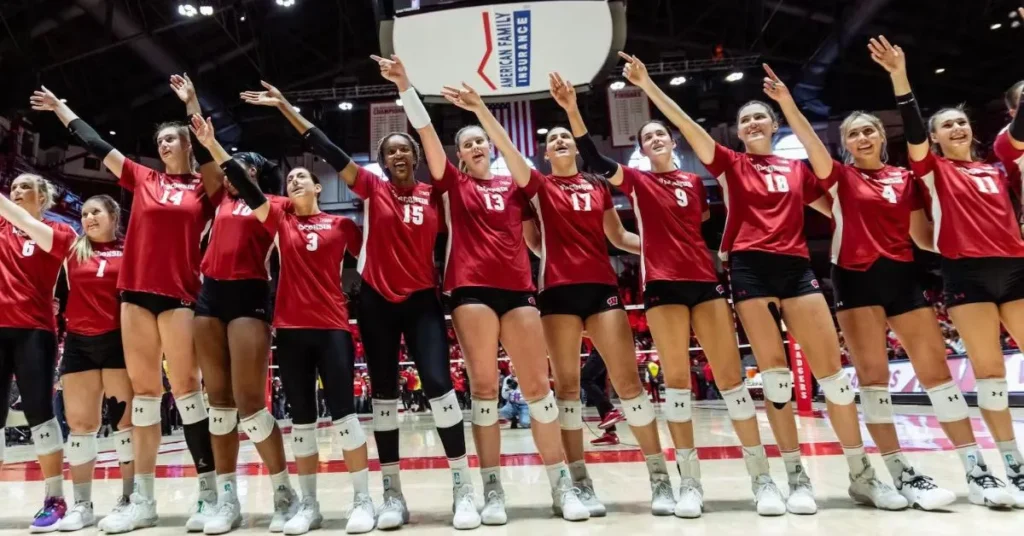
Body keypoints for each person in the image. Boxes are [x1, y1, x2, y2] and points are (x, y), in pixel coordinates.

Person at [616, 52, 908, 512]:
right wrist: (649, 87)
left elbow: (843, 210)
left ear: (773, 126)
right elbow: (686, 125)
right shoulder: (729, 164)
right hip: (750, 269)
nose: (752, 123)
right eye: (745, 119)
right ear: (737, 130)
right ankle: (793, 477)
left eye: (759, 117)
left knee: (834, 380)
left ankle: (862, 474)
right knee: (774, 381)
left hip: (796, 269)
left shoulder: (798, 170)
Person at [242, 73, 479, 529]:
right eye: (390, 151)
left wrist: (408, 88)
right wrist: (287, 108)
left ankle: (463, 489)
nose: (399, 155)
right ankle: (391, 494)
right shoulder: (372, 189)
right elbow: (327, 147)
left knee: (438, 385)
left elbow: (430, 137)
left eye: (404, 149)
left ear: (414, 156)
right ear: (383, 162)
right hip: (375, 304)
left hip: (423, 300)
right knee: (385, 395)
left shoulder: (436, 192)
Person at [762, 61, 1002, 509]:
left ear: (880, 137)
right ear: (847, 144)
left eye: (868, 131)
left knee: (938, 375)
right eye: (853, 134)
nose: (862, 138)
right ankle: (899, 473)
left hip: (902, 277)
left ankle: (978, 471)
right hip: (854, 280)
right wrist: (787, 104)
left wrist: (967, 248)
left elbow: (924, 237)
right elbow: (813, 145)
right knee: (872, 380)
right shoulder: (838, 178)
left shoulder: (905, 180)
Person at [562, 64, 789, 516]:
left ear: (673, 140)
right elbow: (593, 159)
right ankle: (689, 483)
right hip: (663, 288)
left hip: (705, 285)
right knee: (678, 384)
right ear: (641, 149)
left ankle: (761, 478)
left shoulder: (694, 183)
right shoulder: (637, 181)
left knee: (732, 382)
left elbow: (704, 227)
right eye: (647, 138)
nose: (656, 140)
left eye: (661, 134)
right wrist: (573, 110)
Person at [380, 53, 589, 523]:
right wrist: (406, 85)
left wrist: (481, 114)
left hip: (518, 291)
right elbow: (428, 134)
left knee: (539, 389)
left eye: (482, 143)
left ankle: (563, 489)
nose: (477, 148)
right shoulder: (451, 184)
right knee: (485, 389)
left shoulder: (516, 183)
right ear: (459, 157)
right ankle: (492, 490)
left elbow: (520, 167)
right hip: (469, 290)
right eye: (469, 144)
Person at [32, 80, 222, 532]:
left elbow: (215, 158)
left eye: (172, 137)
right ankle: (142, 499)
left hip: (179, 295)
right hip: (135, 295)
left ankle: (212, 496)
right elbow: (95, 142)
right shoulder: (143, 177)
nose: (164, 144)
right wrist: (61, 108)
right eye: (160, 140)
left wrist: (192, 106)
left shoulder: (204, 186)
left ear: (188, 142)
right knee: (144, 398)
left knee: (188, 391)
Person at [190, 114, 376, 534]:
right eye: (290, 177)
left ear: (317, 187)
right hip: (284, 325)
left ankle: (360, 499)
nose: (294, 182)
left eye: (302, 178)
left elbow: (376, 250)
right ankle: (293, 502)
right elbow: (234, 179)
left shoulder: (329, 221)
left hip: (324, 325)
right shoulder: (270, 216)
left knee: (343, 418)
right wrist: (204, 132)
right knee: (286, 417)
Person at [512, 74, 676, 517]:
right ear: (545, 151)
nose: (562, 141)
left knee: (628, 383)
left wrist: (663, 246)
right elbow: (534, 242)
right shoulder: (538, 189)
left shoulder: (598, 185)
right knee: (566, 388)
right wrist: (560, 256)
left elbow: (619, 236)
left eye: (568, 136)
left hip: (602, 289)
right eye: (555, 139)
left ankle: (660, 477)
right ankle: (578, 482)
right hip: (557, 294)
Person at [871, 35, 1024, 507]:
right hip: (968, 277)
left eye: (961, 123)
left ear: (971, 131)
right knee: (991, 375)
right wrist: (899, 76)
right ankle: (1009, 468)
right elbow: (913, 130)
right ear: (934, 138)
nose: (955, 128)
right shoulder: (931, 169)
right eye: (946, 126)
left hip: (1016, 270)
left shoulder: (999, 167)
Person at [190, 137, 301, 533]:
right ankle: (226, 499)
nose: (231, 175)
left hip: (250, 294)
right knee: (218, 404)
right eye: (229, 170)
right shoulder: (218, 199)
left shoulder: (275, 205)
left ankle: (284, 491)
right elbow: (205, 158)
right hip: (209, 296)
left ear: (255, 173)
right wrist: (192, 108)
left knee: (250, 405)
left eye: (241, 169)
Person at [53, 195, 137, 530]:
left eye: (96, 212)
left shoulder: (131, 249)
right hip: (79, 345)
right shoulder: (72, 251)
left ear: (114, 215)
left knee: (125, 425)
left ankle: (130, 499)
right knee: (80, 426)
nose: (88, 218)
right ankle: (82, 505)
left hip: (119, 342)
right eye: (84, 213)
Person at [0, 174, 77, 531]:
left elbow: (27, 223)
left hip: (34, 329)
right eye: (14, 187)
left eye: (25, 187)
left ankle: (54, 498)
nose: (16, 191)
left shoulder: (59, 233)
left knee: (41, 416)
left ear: (43, 197)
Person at [579, 347, 622, 447]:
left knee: (584, 380)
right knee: (598, 387)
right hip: (602, 349)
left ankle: (612, 410)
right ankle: (610, 433)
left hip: (601, 348)